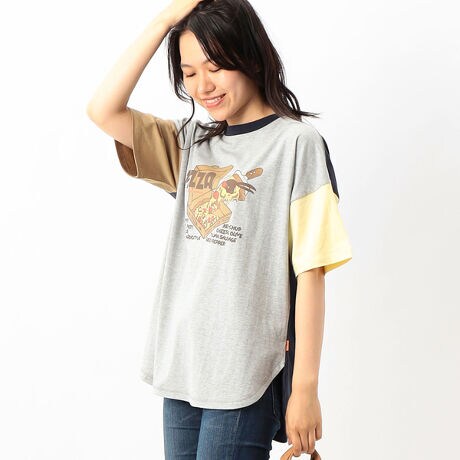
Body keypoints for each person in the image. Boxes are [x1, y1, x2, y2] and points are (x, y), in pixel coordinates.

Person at [87, 0, 353, 458]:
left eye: (215, 67)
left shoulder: (296, 144)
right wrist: (164, 21)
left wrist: (305, 388)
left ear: (251, 57)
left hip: (247, 373)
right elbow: (102, 109)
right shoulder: (191, 144)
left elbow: (311, 271)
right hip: (183, 365)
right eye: (189, 72)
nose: (203, 86)